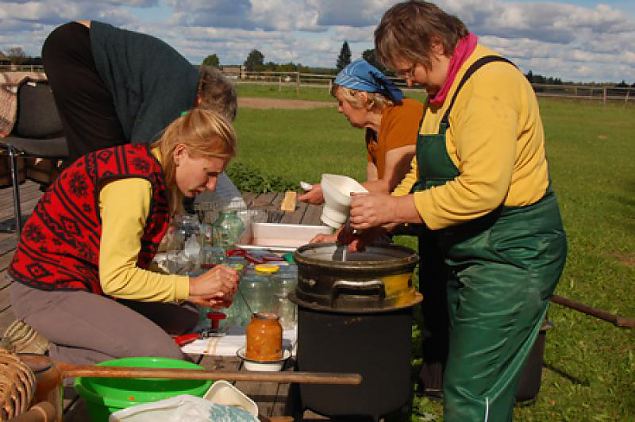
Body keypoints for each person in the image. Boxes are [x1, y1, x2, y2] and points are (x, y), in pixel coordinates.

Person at [347, 2, 567, 420]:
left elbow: (483, 189)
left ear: (436, 43)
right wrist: (386, 219)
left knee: (473, 387)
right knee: (470, 379)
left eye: (409, 66)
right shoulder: (442, 93)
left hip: (512, 252)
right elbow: (424, 171)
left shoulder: (489, 85)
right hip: (471, 248)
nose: (406, 78)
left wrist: (396, 205)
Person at [8, 108, 240, 365]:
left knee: (185, 316)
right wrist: (191, 286)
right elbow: (116, 278)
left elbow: (125, 264)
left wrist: (188, 293)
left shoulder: (152, 169)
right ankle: (39, 354)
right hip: (46, 290)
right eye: (209, 173)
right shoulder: (134, 184)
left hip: (88, 283)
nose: (212, 186)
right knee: (164, 357)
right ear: (180, 153)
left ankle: (79, 338)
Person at [41, 19, 241, 200]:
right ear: (203, 102)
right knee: (103, 162)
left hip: (77, 46)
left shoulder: (184, 81)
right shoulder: (179, 89)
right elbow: (144, 153)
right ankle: (72, 219)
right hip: (76, 51)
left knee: (109, 162)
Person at [299, 59, 423, 210]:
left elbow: (388, 185)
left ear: (362, 98)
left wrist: (330, 192)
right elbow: (373, 187)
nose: (339, 109)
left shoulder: (404, 114)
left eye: (341, 102)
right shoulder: (372, 133)